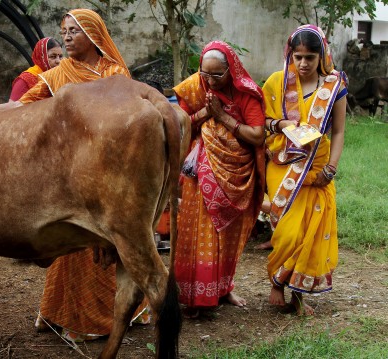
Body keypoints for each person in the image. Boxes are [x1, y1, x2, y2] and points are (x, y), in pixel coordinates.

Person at [19, 8, 150, 341]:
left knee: (111, 239)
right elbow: (25, 105)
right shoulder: (59, 74)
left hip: (109, 169)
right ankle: (63, 315)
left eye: (74, 31)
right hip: (71, 170)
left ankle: (101, 320)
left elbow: (129, 118)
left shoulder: (116, 72)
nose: (66, 36)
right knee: (72, 245)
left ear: (93, 35)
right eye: (63, 31)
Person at [172, 41, 266, 316]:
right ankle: (196, 296)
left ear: (231, 71)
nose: (210, 81)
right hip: (199, 172)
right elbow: (179, 124)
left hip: (237, 175)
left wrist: (223, 117)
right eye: (205, 74)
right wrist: (206, 113)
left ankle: (223, 289)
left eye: (217, 75)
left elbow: (257, 135)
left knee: (227, 236)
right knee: (199, 230)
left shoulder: (246, 94)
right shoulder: (194, 88)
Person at [262, 25, 347, 316]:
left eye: (310, 57)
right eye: (298, 56)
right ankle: (277, 281)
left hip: (319, 167)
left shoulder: (333, 87)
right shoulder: (276, 83)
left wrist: (332, 168)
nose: (303, 63)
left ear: (321, 55)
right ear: (291, 54)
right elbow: (263, 121)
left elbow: (338, 132)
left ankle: (298, 297)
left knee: (311, 232)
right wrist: (282, 125)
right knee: (287, 231)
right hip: (283, 166)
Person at [9, 37, 62, 101]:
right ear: (41, 57)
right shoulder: (25, 80)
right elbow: (13, 108)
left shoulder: (60, 78)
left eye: (60, 56)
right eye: (53, 56)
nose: (58, 61)